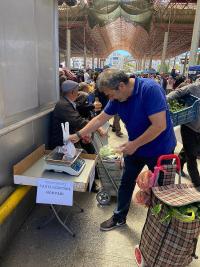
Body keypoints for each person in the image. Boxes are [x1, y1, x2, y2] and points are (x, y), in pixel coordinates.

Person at [69, 69, 176, 231]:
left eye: (110, 95)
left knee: (161, 189)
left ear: (121, 86)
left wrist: (133, 145)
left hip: (160, 149)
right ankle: (119, 217)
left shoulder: (149, 90)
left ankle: (161, 225)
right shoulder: (118, 98)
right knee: (126, 182)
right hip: (135, 148)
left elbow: (159, 126)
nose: (110, 99)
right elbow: (100, 119)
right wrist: (78, 134)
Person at [167, 78, 200, 187]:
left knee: (190, 150)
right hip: (189, 126)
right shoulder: (193, 87)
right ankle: (197, 181)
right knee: (192, 155)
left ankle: (178, 164)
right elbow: (177, 92)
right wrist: (164, 100)